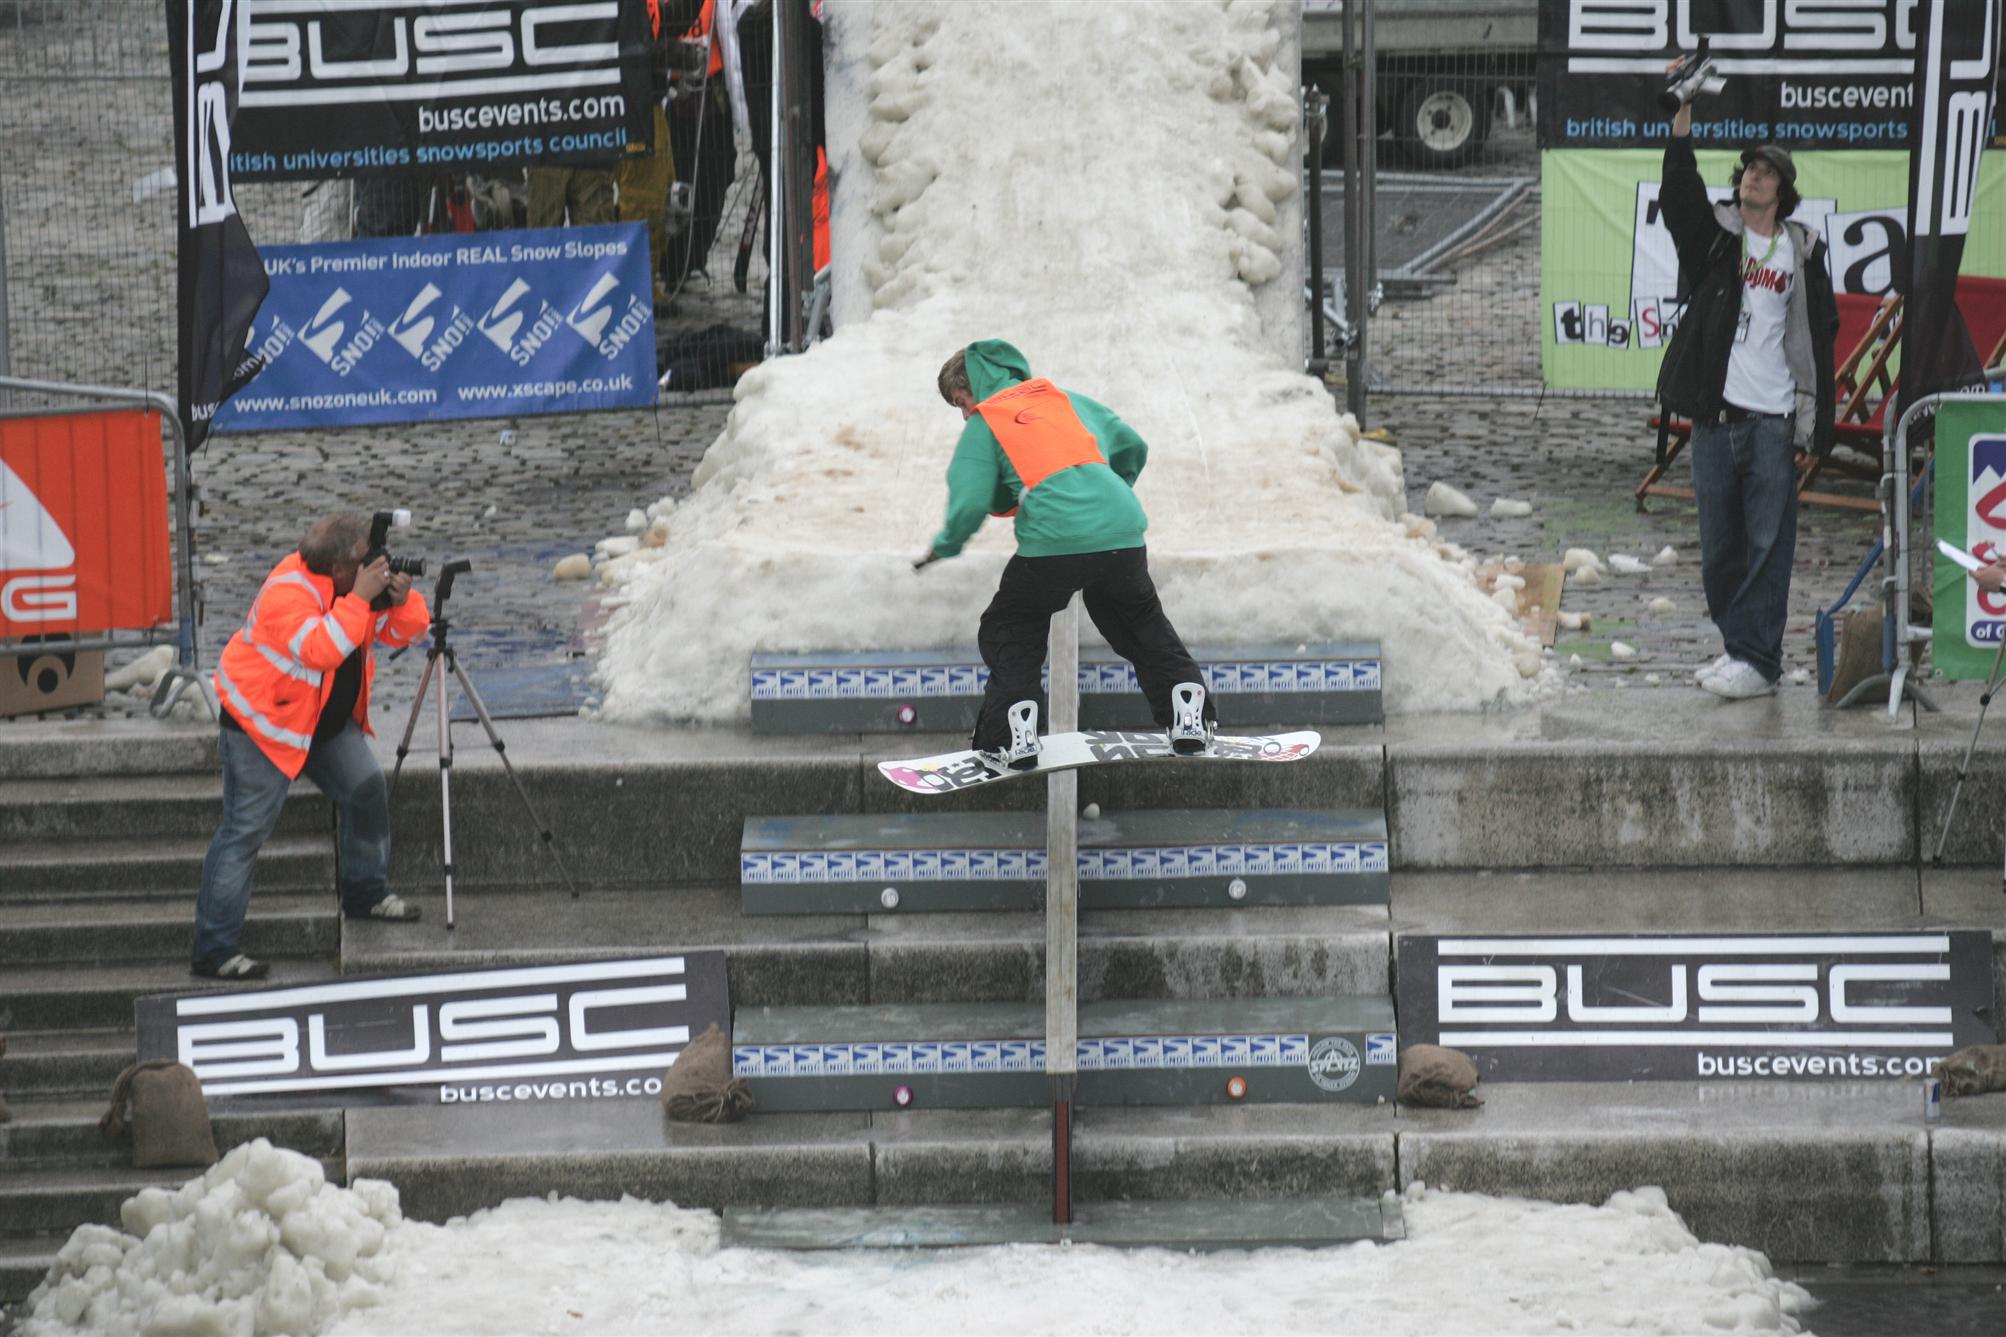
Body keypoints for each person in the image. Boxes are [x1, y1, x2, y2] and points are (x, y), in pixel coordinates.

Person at [920, 340, 1216, 771]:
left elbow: (969, 499)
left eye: (962, 402)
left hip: (1054, 539)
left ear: (975, 387)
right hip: (1121, 528)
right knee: (1138, 620)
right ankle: (1187, 715)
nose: (965, 414)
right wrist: (1103, 498)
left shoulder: (988, 421)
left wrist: (944, 546)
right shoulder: (1062, 400)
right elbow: (1133, 446)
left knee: (1012, 624)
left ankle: (1011, 736)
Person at [194, 515, 430, 979]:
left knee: (365, 791)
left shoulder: (349, 586)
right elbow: (322, 649)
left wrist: (398, 602)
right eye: (367, 561)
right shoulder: (287, 592)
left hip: (322, 724)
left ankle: (365, 893)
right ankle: (214, 951)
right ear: (341, 568)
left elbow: (401, 633)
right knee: (244, 833)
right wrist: (362, 598)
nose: (376, 566)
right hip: (263, 729)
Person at [1657, 99, 1837, 700]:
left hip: (1773, 422)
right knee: (1720, 550)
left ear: (1782, 190)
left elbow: (1819, 345)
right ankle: (1739, 650)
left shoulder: (1802, 256)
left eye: (1765, 173)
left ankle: (1758, 662)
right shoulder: (1716, 242)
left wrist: (1815, 430)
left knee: (1768, 546)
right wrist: (1683, 112)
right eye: (1747, 171)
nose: (1751, 177)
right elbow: (1679, 191)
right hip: (1715, 419)